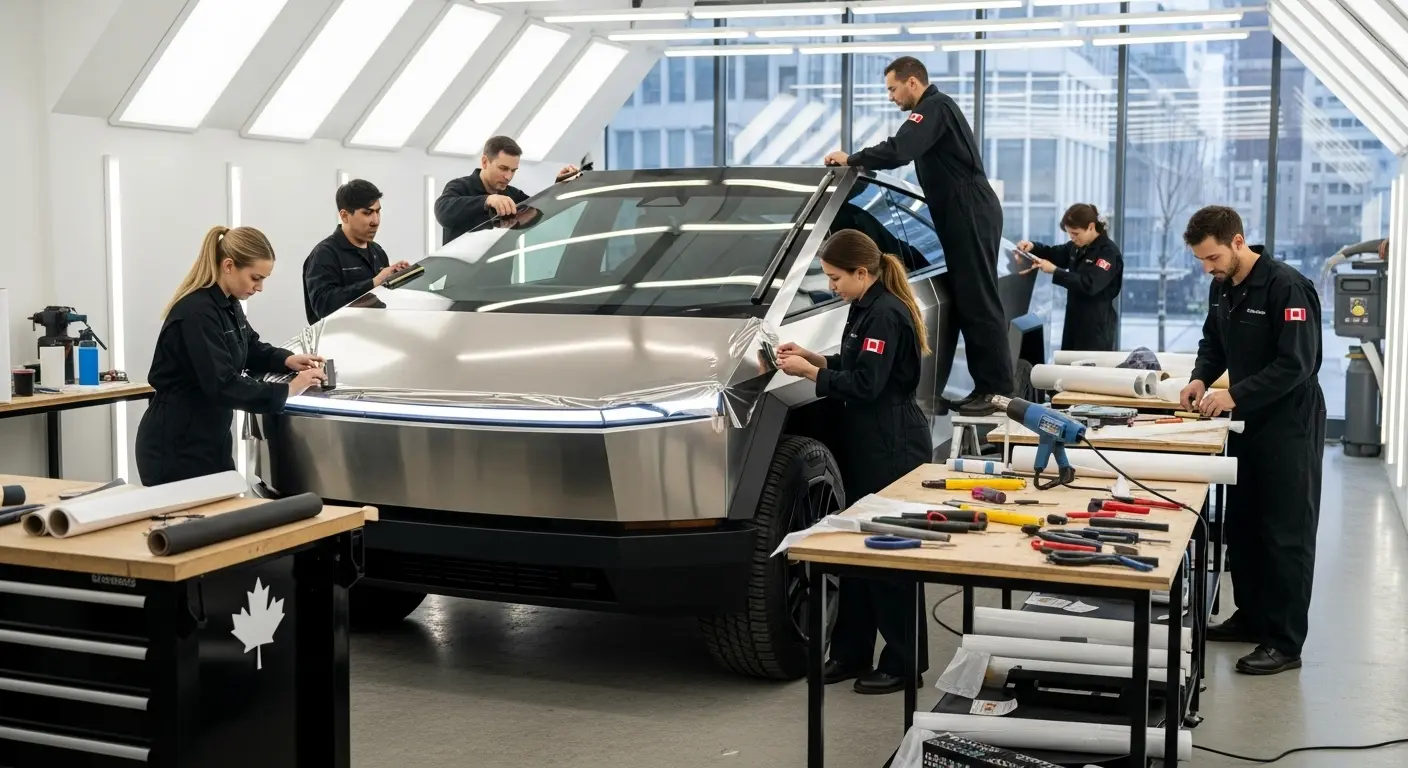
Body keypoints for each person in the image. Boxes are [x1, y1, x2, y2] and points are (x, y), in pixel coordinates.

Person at [776, 229, 933, 695]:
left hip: (891, 442)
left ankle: (904, 661)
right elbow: (857, 362)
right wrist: (815, 358)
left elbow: (867, 385)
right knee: (854, 549)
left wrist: (811, 374)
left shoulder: (885, 313)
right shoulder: (864, 306)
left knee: (888, 552)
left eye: (835, 278)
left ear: (861, 273)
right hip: (867, 438)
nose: (831, 286)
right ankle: (851, 650)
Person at [1177, 206, 1325, 676]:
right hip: (1246, 422)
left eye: (1213, 257)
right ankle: (1251, 617)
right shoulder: (1222, 286)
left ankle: (1284, 642)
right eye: (1201, 260)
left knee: (1285, 532)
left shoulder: (1288, 287)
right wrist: (1200, 378)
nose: (1208, 268)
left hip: (1289, 422)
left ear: (1238, 242)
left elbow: (1297, 363)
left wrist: (1234, 395)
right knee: (1244, 526)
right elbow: (1213, 343)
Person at [823, 56, 1009, 416]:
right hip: (962, 211)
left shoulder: (933, 108)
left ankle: (996, 390)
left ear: (912, 82)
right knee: (971, 300)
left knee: (978, 301)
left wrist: (853, 159)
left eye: (893, 88)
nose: (891, 97)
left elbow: (899, 150)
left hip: (968, 211)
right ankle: (986, 386)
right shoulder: (935, 110)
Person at [137, 226, 327, 486]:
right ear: (228, 266)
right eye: (255, 278)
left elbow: (249, 346)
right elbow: (223, 383)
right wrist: (288, 390)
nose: (260, 287)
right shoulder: (196, 314)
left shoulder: (229, 305)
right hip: (177, 447)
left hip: (210, 440)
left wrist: (286, 360)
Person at [1016, 203, 1124, 351]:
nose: (1072, 238)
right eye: (1069, 234)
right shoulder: (1077, 246)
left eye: (1075, 233)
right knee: (1067, 362)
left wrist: (1055, 271)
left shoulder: (1108, 253)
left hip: (1096, 325)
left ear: (1091, 227)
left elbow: (1090, 284)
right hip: (1074, 319)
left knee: (1089, 364)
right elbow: (1054, 253)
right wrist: (1033, 247)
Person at [434, 136, 578, 245]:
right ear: (485, 162)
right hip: (459, 274)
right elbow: (443, 212)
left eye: (513, 170)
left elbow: (541, 211)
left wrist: (559, 186)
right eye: (503, 168)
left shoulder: (513, 194)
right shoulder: (460, 186)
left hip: (499, 273)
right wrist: (487, 200)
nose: (508, 176)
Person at [303, 179, 410, 324]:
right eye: (367, 213)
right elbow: (323, 306)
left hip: (377, 332)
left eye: (378, 212)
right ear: (344, 216)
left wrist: (397, 280)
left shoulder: (378, 252)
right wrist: (373, 283)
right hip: (341, 336)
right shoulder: (323, 255)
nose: (376, 221)